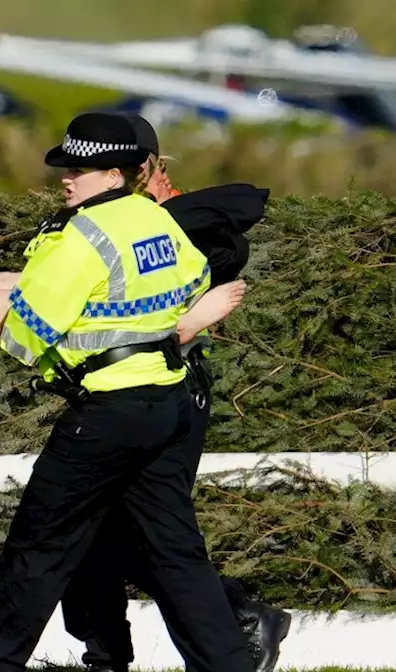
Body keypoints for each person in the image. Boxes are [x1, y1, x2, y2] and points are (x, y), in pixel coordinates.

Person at [0, 111, 257, 672]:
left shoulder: (81, 237)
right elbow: (193, 281)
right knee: (175, 556)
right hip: (166, 401)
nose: (69, 177)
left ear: (116, 174)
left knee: (37, 552)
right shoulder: (155, 219)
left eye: (84, 168)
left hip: (107, 413)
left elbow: (24, 334)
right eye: (69, 166)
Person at [57, 114, 292, 672]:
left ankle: (234, 621)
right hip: (149, 392)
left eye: (90, 168)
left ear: (132, 173)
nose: (73, 179)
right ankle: (112, 649)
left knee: (140, 532)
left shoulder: (173, 228)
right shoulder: (141, 222)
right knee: (111, 528)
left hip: (166, 391)